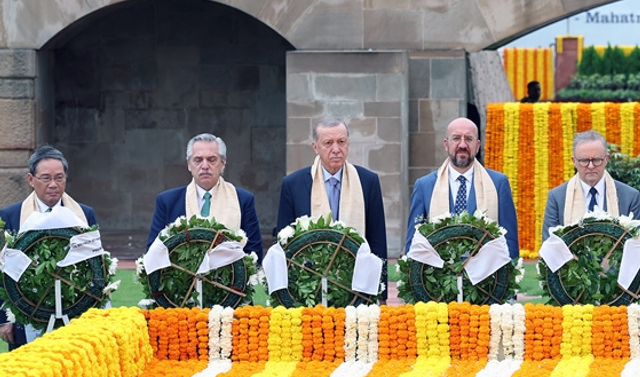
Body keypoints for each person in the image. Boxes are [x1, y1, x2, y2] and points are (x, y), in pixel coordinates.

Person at [0, 145, 99, 347]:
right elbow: (2, 271)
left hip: (76, 309)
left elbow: (97, 264)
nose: (53, 184)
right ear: (31, 180)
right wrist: (3, 319)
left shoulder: (84, 214)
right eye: (46, 178)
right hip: (25, 311)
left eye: (59, 178)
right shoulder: (11, 216)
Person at [405, 117, 519, 257]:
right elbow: (414, 242)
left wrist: (509, 274)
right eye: (456, 138)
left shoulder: (498, 183)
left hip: (486, 274)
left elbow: (509, 240)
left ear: (477, 146)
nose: (462, 145)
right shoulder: (424, 186)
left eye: (469, 139)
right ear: (446, 144)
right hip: (438, 274)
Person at [277, 116, 388, 260]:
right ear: (315, 147)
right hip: (309, 275)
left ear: (348, 144)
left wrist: (380, 281)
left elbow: (377, 239)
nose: (336, 149)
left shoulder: (367, 181)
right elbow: (284, 241)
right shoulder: (293, 184)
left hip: (356, 272)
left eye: (341, 142)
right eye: (328, 143)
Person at [147, 133, 264, 259]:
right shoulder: (167, 201)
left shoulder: (243, 200)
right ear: (189, 164)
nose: (205, 166)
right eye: (198, 160)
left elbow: (254, 253)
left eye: (211, 160)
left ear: (223, 163)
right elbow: (154, 252)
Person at [542, 130, 640, 240]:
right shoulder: (557, 197)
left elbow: (639, 244)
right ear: (574, 161)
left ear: (606, 159)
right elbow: (549, 245)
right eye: (584, 160)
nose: (590, 166)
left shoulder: (630, 196)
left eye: (596, 160)